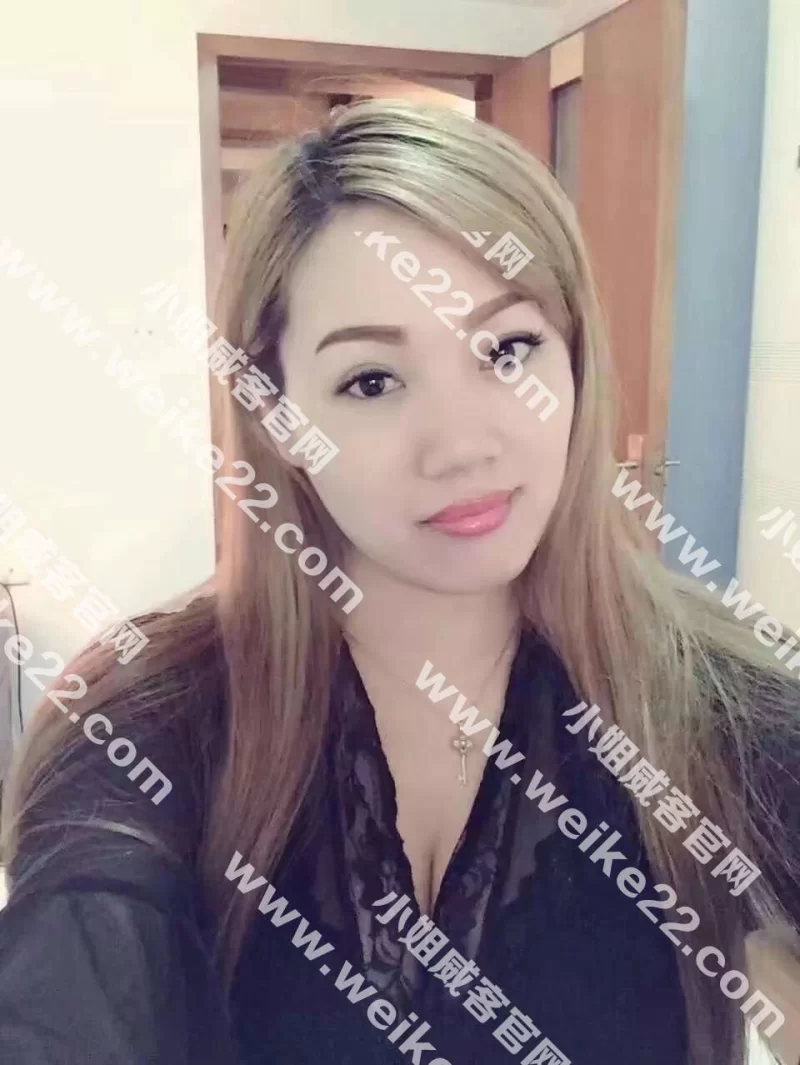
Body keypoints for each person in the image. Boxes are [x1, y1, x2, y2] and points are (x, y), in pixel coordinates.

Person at [0, 99, 798, 1065]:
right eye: (372, 381)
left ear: (576, 362)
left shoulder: (717, 700)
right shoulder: (148, 720)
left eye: (508, 350)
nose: (461, 446)